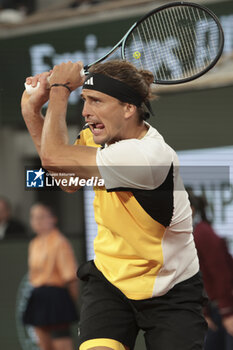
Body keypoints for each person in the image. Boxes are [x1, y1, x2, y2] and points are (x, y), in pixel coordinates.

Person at [21, 60, 208, 350]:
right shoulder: (99, 139)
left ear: (128, 109)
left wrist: (59, 90)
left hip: (170, 287)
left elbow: (54, 157)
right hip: (110, 280)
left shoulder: (147, 157)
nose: (85, 111)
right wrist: (32, 110)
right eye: (84, 100)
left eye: (95, 100)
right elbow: (67, 179)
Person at [23, 203, 79, 350]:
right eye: (33, 217)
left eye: (41, 217)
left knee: (62, 344)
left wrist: (69, 303)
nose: (37, 221)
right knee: (43, 344)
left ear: (53, 219)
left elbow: (71, 277)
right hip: (38, 296)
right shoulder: (34, 244)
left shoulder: (60, 242)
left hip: (56, 296)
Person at [188, 191, 233, 350]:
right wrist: (204, 312)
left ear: (191, 209)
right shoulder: (193, 234)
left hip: (224, 308)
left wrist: (227, 312)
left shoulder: (203, 233)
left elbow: (222, 274)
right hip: (214, 311)